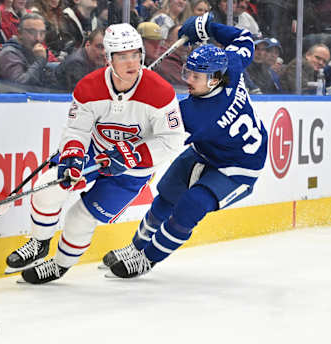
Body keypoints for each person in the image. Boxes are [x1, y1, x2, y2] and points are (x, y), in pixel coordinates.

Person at [5, 22, 185, 284]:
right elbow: (76, 130)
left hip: (132, 170)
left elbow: (172, 140)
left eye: (135, 54)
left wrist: (131, 155)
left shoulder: (160, 92)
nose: (131, 62)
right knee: (48, 186)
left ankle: (60, 265)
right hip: (96, 151)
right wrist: (72, 158)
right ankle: (39, 243)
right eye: (123, 56)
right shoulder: (89, 87)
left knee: (80, 218)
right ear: (109, 58)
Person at [101, 13, 268, 279]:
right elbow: (244, 37)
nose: (188, 79)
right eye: (187, 71)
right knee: (166, 196)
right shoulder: (231, 65)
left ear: (214, 79)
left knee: (191, 204)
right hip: (208, 151)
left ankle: (146, 259)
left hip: (240, 168)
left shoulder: (196, 114)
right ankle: (135, 248)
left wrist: (122, 123)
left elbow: (152, 133)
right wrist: (208, 27)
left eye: (196, 76)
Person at [0, 13, 58, 88]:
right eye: (32, 32)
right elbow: (21, 85)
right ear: (19, 33)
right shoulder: (9, 54)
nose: (38, 38)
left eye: (42, 33)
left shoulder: (32, 51)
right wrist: (40, 60)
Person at [55, 27, 106, 91]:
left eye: (107, 48)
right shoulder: (75, 63)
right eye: (99, 47)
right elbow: (85, 93)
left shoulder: (96, 59)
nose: (103, 53)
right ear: (87, 45)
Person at [154, 24, 188, 90]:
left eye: (187, 40)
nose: (185, 44)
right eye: (180, 39)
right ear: (167, 42)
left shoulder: (181, 59)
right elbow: (187, 83)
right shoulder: (164, 61)